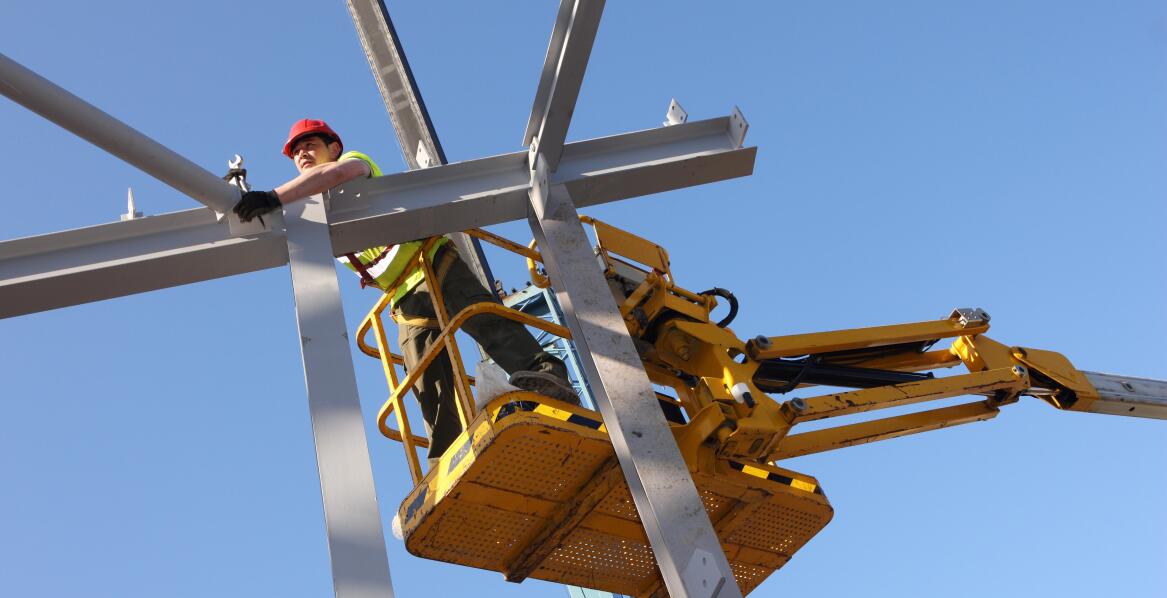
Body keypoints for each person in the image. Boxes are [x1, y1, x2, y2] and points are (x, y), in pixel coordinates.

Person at [234, 118, 578, 467]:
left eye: (310, 145)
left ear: (333, 148)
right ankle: (448, 452)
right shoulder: (310, 213)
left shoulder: (353, 164)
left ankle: (546, 373)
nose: (302, 153)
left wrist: (273, 197)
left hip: (430, 258)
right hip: (404, 294)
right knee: (423, 373)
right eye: (296, 151)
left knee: (482, 316)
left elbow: (329, 177)